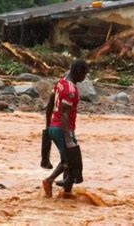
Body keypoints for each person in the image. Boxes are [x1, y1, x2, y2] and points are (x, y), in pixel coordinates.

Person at [42, 60, 88, 198]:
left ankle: (67, 192)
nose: (85, 78)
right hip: (63, 129)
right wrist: (68, 138)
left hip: (54, 128)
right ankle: (49, 181)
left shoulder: (60, 83)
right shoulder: (70, 89)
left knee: (68, 160)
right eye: (85, 74)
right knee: (70, 160)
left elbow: (50, 104)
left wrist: (47, 127)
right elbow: (64, 113)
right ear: (78, 72)